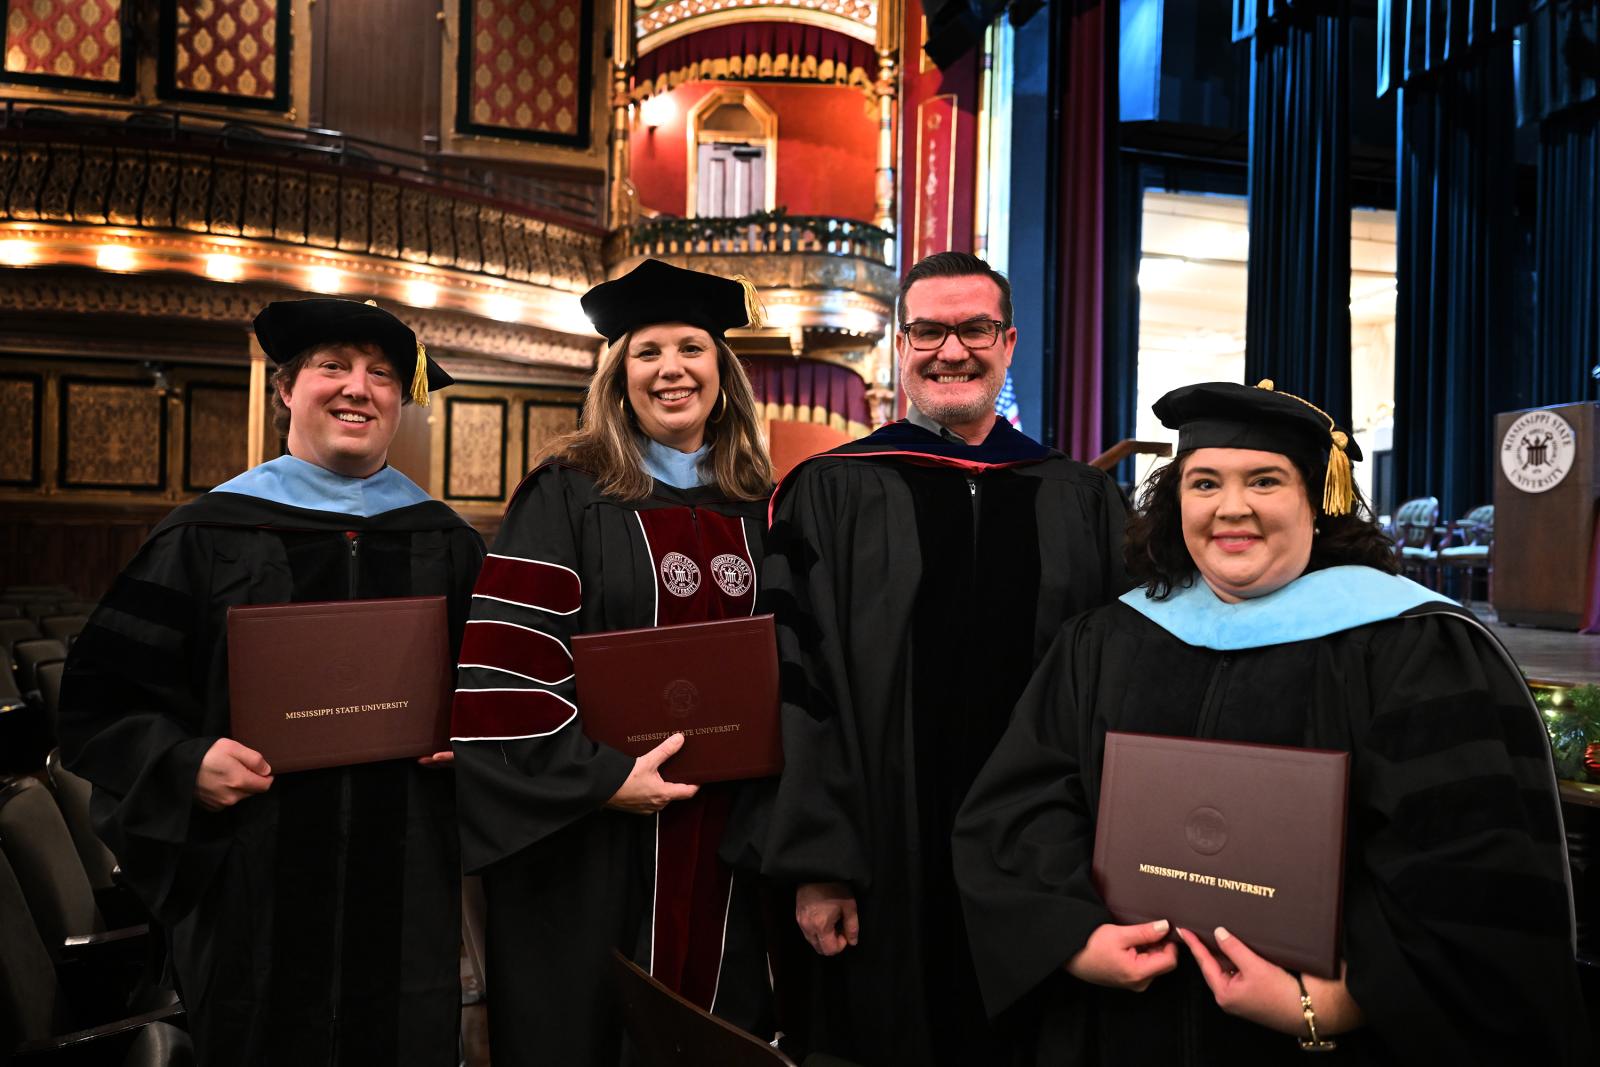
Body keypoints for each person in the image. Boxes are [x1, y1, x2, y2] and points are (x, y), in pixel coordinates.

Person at [952, 379, 1586, 1065]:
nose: (1232, 507)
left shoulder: (1410, 649)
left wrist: (1332, 1002)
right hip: (1124, 1027)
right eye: (1204, 483)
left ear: (1316, 500)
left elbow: (1470, 872)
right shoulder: (1105, 642)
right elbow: (1024, 806)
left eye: (1264, 480)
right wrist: (1074, 936)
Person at [57, 298, 486, 1066]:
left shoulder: (447, 543)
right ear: (287, 388)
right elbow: (98, 702)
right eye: (333, 366)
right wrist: (185, 763)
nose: (358, 387)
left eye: (382, 374)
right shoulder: (205, 536)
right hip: (251, 890)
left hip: (407, 891)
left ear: (401, 400)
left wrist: (472, 739)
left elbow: (495, 696)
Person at [758, 251, 1130, 1064]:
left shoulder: (1080, 498)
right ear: (902, 344)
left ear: (1009, 342)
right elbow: (799, 684)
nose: (950, 351)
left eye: (975, 330)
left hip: (1046, 855)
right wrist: (820, 863)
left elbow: (1117, 692)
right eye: (928, 331)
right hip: (882, 857)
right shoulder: (829, 492)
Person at [450, 259, 777, 1066]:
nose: (672, 369)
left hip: (729, 833)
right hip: (599, 836)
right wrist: (603, 779)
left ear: (722, 372)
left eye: (692, 348)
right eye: (648, 352)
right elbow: (509, 673)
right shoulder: (567, 496)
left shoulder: (760, 502)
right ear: (618, 377)